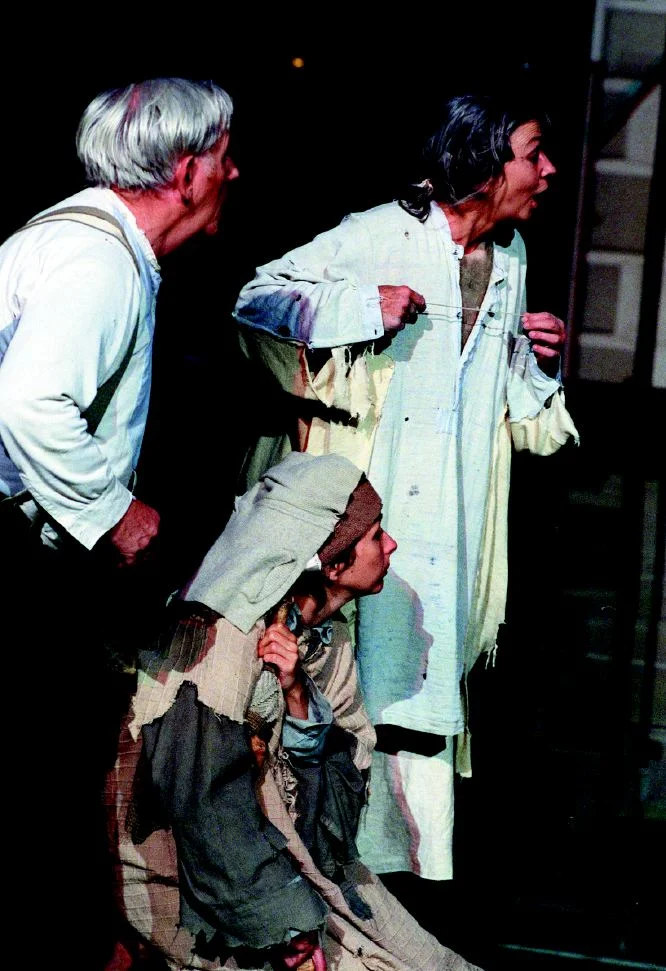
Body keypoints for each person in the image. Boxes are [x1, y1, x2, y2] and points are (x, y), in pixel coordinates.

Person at [232, 91, 579, 897]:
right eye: (533, 153)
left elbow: (502, 407)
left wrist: (538, 362)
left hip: (443, 538)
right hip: (365, 538)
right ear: (484, 163)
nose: (550, 170)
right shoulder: (378, 235)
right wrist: (361, 306)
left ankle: (377, 908)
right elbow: (256, 300)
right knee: (335, 715)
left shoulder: (510, 257)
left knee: (410, 737)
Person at [0, 77, 238, 965]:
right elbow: (29, 403)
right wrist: (115, 512)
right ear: (186, 171)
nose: (234, 172)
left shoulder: (81, 243)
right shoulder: (98, 261)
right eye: (224, 156)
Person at [107, 450, 483, 971]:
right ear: (333, 563)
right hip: (198, 895)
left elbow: (343, 797)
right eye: (376, 535)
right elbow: (203, 808)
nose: (391, 545)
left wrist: (300, 700)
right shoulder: (222, 641)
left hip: (298, 866)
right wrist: (285, 928)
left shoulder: (328, 639)